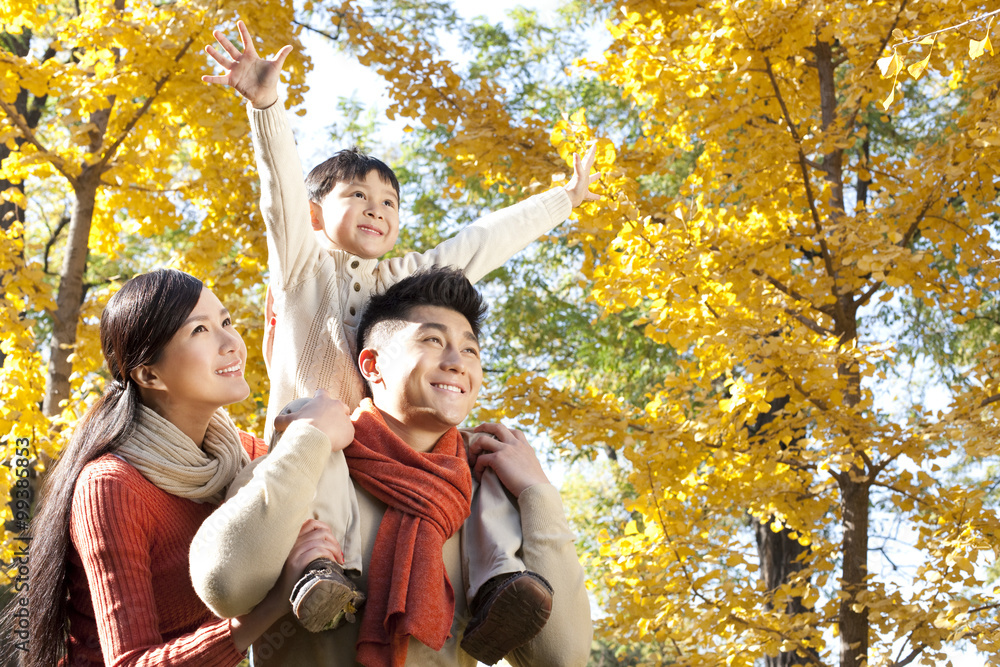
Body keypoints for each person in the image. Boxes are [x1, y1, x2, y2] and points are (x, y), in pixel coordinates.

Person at [201, 19, 599, 660]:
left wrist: (563, 200)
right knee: (328, 450)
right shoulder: (303, 265)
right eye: (356, 195)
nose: (376, 208)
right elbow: (278, 193)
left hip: (392, 443)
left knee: (479, 458)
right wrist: (267, 105)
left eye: (389, 200)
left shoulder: (405, 281)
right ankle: (324, 573)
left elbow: (481, 242)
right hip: (312, 443)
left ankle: (502, 581)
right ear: (317, 215)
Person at [190, 267, 592, 666]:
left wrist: (538, 493)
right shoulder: (306, 461)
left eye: (470, 349)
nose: (457, 362)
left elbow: (561, 659)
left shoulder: (487, 490)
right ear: (372, 365)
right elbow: (226, 586)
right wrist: (309, 439)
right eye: (433, 340)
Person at [0, 269, 349, 667]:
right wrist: (271, 606)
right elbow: (130, 661)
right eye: (199, 330)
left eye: (226, 322)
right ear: (149, 373)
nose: (231, 343)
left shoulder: (244, 453)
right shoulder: (112, 486)